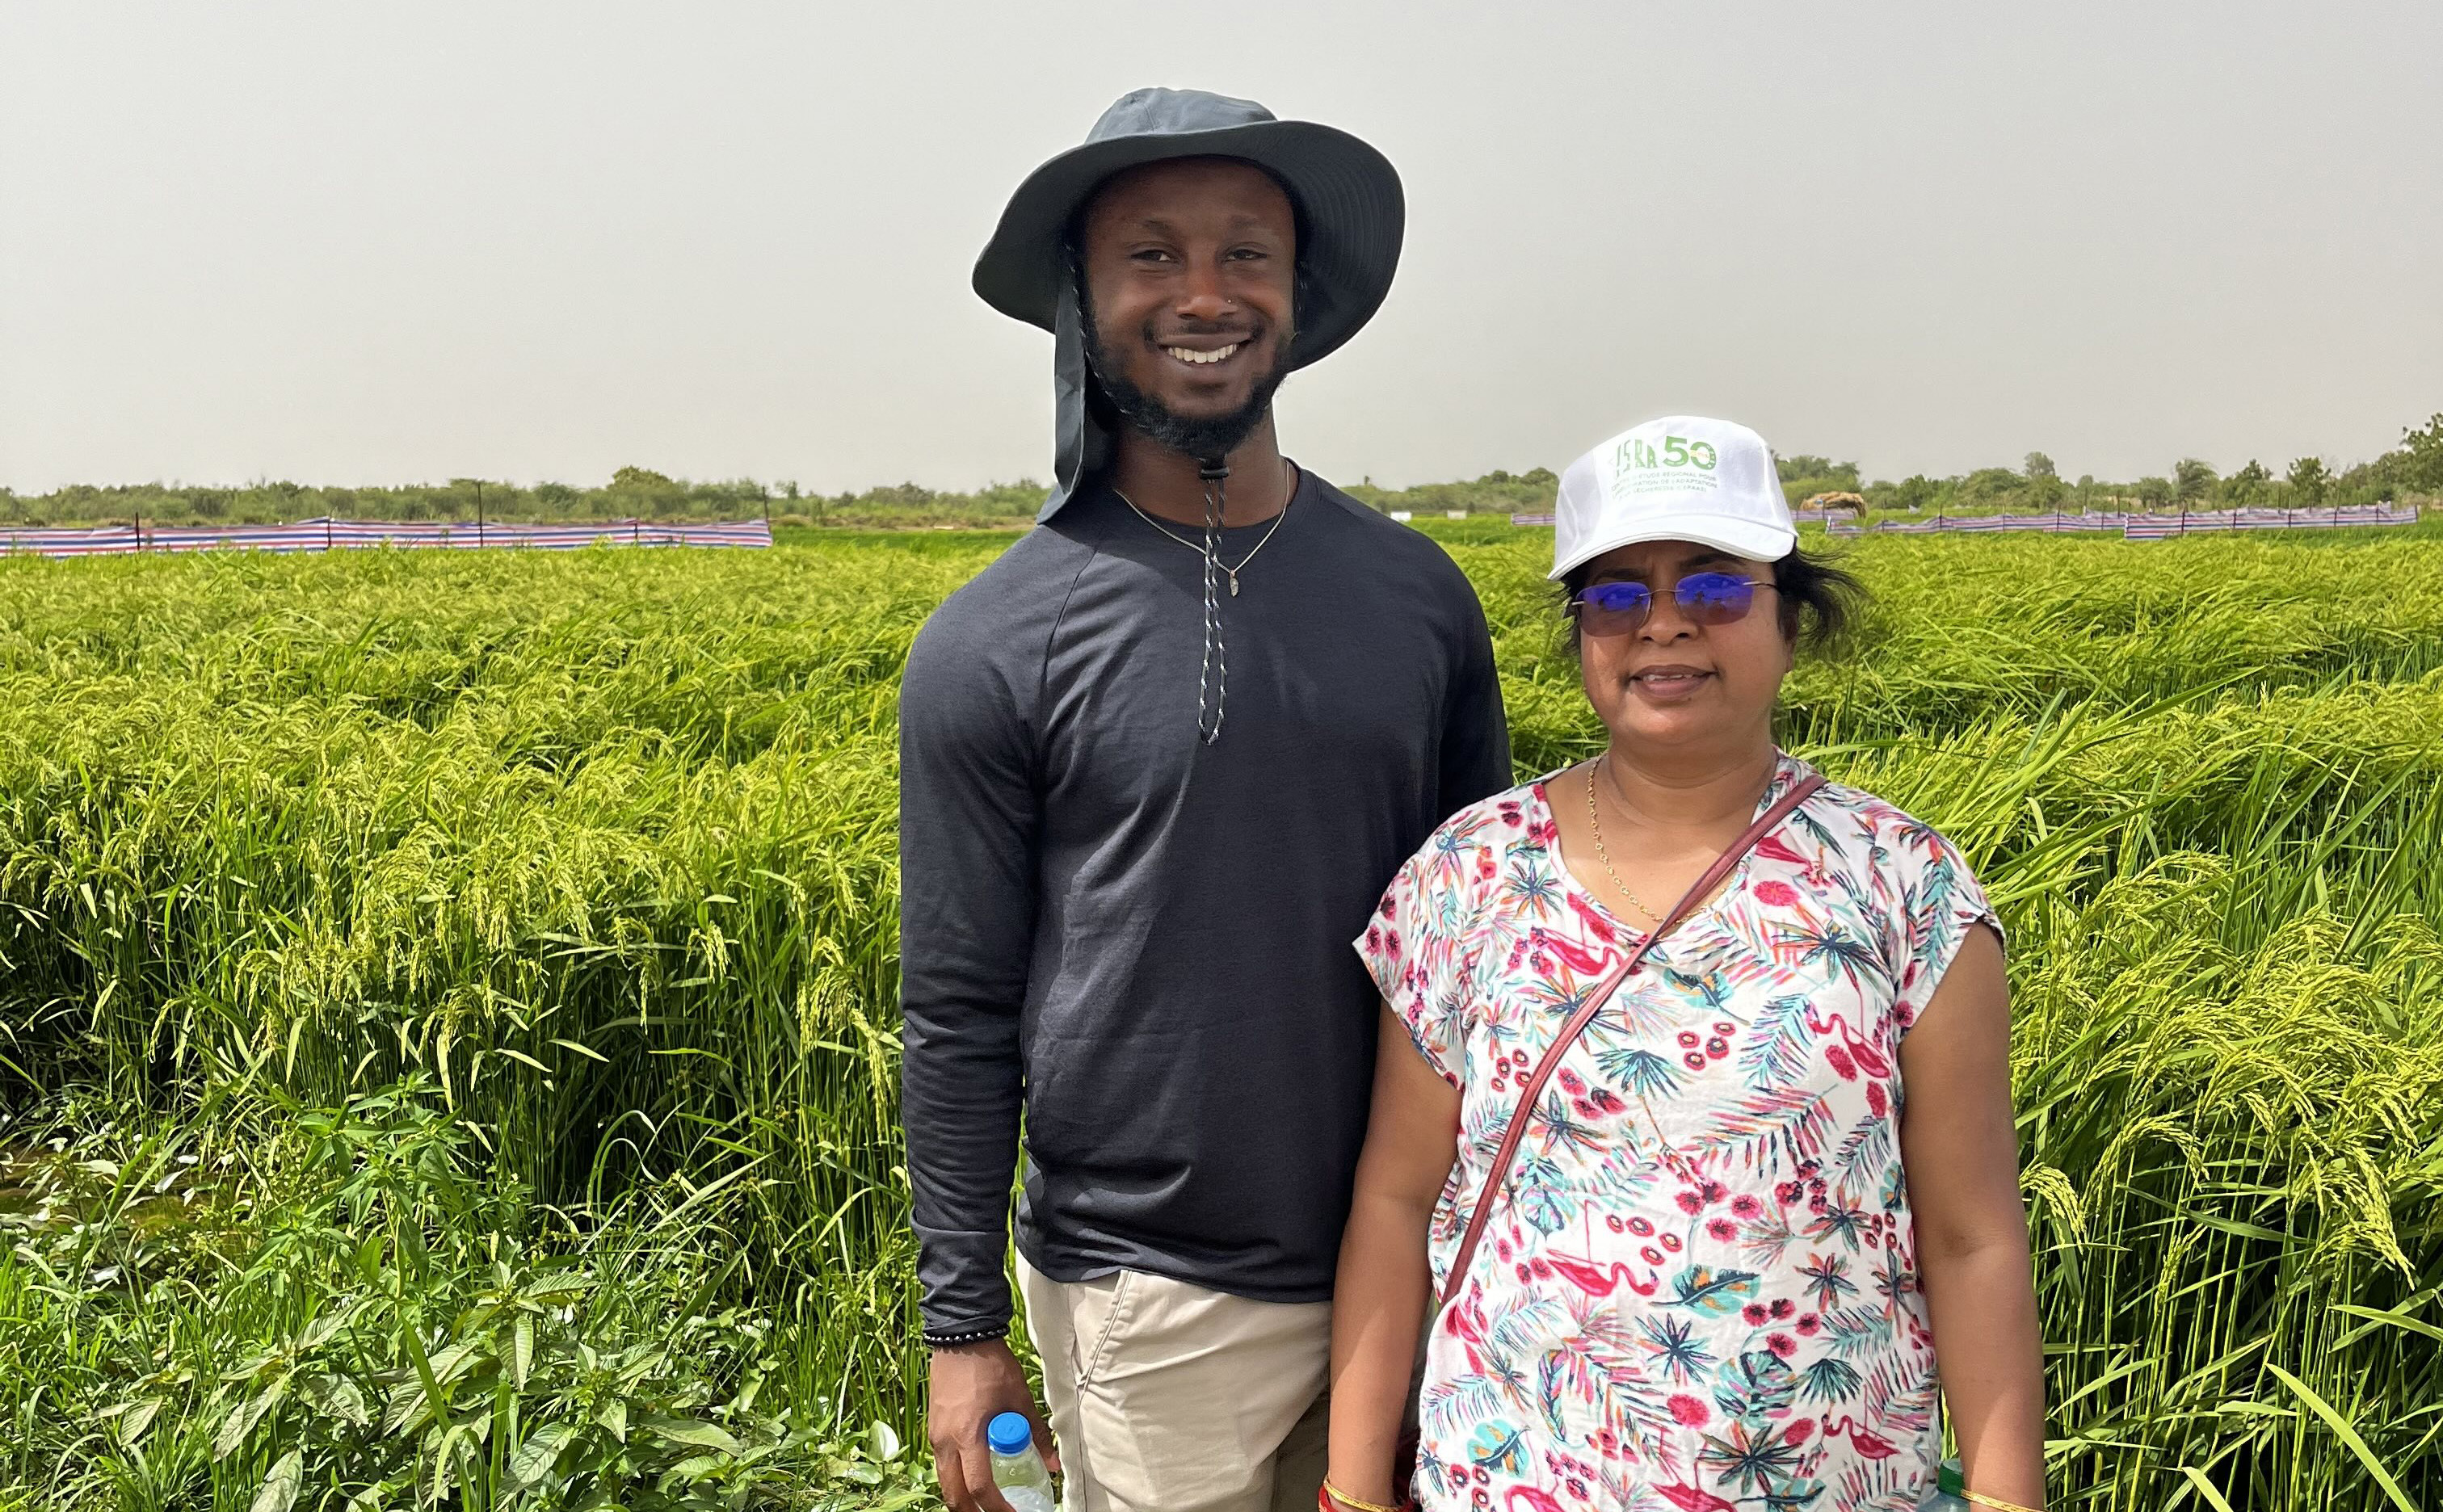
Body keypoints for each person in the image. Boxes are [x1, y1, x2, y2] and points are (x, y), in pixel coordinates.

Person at [900, 87, 1512, 1512]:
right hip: (1149, 1306)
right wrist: (959, 1330)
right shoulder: (996, 642)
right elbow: (959, 1005)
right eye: (1151, 256)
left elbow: (1486, 962)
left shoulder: (1418, 601)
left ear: (1295, 294)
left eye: (1247, 253)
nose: (1204, 294)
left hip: (1404, 1270)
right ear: (1081, 299)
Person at [1327, 417, 2048, 1512]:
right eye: (1615, 596)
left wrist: (2004, 1499)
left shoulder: (1907, 886)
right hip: (1515, 1481)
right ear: (1579, 638)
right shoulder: (1466, 875)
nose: (1663, 626)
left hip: (1825, 1484)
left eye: (1713, 589)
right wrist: (1351, 1486)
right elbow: (1395, 1198)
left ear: (1789, 622)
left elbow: (1974, 1236)